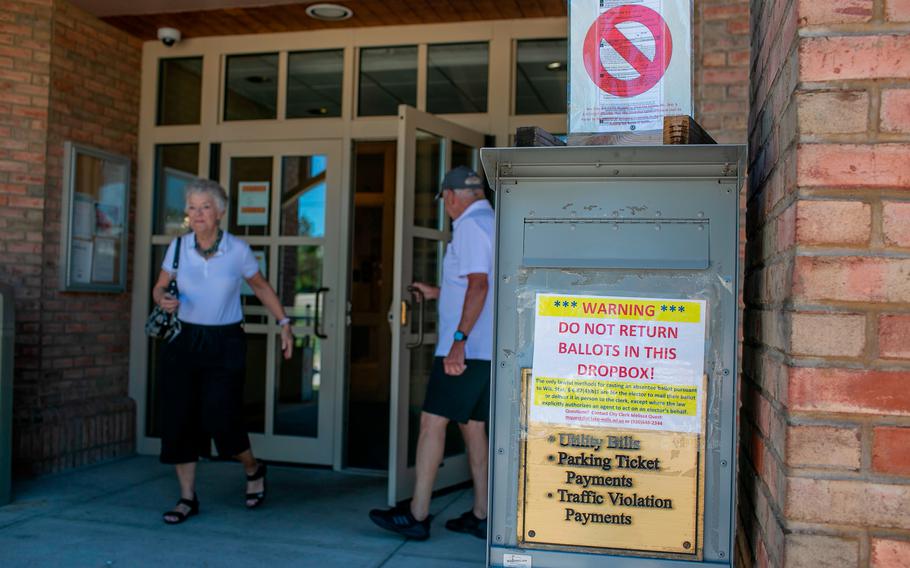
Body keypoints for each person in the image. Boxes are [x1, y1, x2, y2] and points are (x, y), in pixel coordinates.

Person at [152, 178, 294, 525]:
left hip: (225, 342)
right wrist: (162, 299)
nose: (198, 214)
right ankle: (187, 498)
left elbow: (260, 287)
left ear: (220, 212)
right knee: (180, 418)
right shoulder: (177, 248)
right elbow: (158, 287)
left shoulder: (237, 250)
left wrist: (284, 322)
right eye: (192, 207)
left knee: (222, 417)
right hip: (183, 341)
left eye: (205, 207)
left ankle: (253, 467)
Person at [369, 166, 495, 540]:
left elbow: (479, 285)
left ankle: (418, 514)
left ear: (453, 196)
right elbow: (475, 284)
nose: (447, 208)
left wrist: (458, 340)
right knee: (473, 429)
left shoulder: (470, 227)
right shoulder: (491, 221)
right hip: (485, 349)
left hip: (466, 350)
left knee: (431, 423)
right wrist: (438, 292)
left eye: (446, 201)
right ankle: (483, 513)